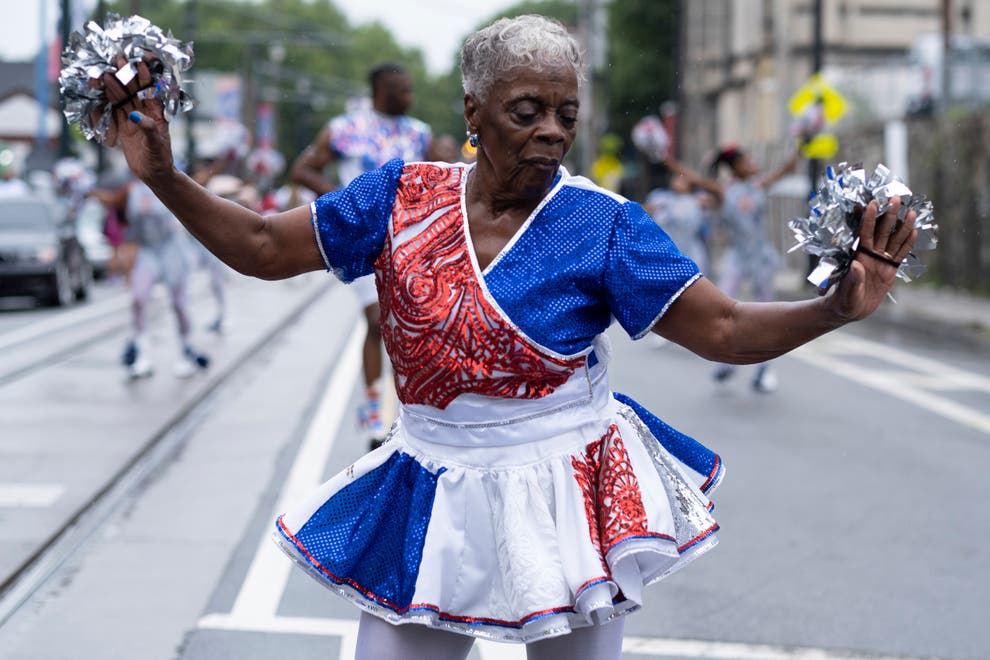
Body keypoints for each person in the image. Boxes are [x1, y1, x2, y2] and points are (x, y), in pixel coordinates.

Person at [100, 14, 916, 659]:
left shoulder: (603, 227)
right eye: (528, 112)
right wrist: (164, 176)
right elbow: (262, 248)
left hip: (568, 488)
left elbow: (726, 328)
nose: (553, 132)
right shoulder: (399, 197)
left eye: (567, 113)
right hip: (431, 480)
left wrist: (835, 308)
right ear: (473, 113)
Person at [290, 62, 432, 449]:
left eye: (409, 90)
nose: (408, 96)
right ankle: (374, 417)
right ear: (379, 91)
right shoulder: (344, 129)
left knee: (411, 326)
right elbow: (301, 169)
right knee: (374, 319)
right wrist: (343, 201)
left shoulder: (420, 133)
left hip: (409, 241)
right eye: (401, 90)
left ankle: (412, 414)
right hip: (363, 242)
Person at [663, 145, 800, 393]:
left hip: (760, 255)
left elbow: (788, 168)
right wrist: (665, 157)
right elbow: (693, 178)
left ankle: (764, 370)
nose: (752, 163)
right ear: (735, 167)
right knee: (723, 304)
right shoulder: (724, 190)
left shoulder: (759, 185)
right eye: (746, 161)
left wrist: (804, 139)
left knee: (768, 312)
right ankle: (728, 362)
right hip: (736, 255)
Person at [91, 178, 210, 379]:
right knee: (138, 298)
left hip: (172, 247)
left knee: (179, 304)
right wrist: (128, 272)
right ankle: (141, 352)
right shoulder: (132, 191)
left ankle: (186, 349)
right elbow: (131, 233)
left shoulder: (168, 180)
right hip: (148, 250)